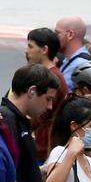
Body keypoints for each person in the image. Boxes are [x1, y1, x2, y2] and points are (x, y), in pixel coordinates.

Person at [24, 28, 68, 162]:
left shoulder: (53, 77)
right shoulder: (44, 73)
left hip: (43, 146)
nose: (27, 50)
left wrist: (19, 127)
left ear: (44, 50)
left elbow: (43, 115)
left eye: (31, 46)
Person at [54, 17, 91, 92]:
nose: (54, 37)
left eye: (57, 33)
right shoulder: (70, 60)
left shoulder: (79, 65)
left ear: (70, 34)